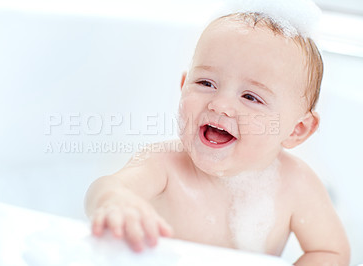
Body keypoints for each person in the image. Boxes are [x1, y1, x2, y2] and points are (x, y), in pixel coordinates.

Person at [84, 9, 350, 266]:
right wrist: (115, 201)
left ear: (296, 130)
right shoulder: (163, 164)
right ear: (183, 86)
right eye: (205, 83)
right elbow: (108, 187)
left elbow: (329, 251)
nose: (220, 104)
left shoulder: (296, 184)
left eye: (250, 97)